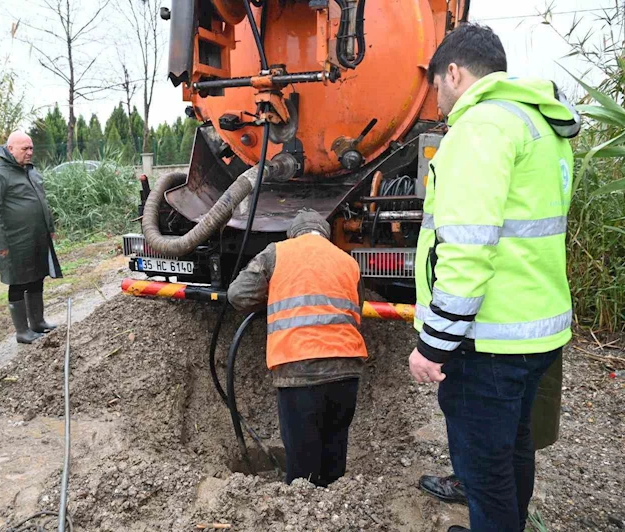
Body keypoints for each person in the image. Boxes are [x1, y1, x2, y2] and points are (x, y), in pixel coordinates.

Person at [408, 24, 580, 532]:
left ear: (455, 73)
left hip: (487, 343)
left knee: (484, 474)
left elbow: (467, 249)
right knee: (514, 452)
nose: (436, 98)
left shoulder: (478, 129)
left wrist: (434, 345)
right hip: (537, 330)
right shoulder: (538, 124)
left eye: (437, 83)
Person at [228, 210, 367, 487]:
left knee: (302, 467)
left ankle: (303, 515)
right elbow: (357, 309)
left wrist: (272, 292)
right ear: (325, 235)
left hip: (299, 371)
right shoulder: (347, 261)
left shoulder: (277, 253)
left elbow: (238, 295)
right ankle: (332, 511)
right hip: (346, 372)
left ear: (293, 234)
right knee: (334, 453)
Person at [418, 354, 563, 505]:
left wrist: (430, 347)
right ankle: (508, 512)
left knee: (495, 424)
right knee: (520, 430)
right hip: (536, 344)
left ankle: (483, 492)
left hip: (499, 348)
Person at [0, 131, 62, 344]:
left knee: (37, 277)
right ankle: (22, 331)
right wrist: (0, 242)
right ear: (10, 149)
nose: (30, 152)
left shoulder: (29, 171)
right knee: (17, 282)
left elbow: (42, 201)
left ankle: (38, 322)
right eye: (24, 149)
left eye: (31, 148)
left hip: (37, 236)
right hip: (14, 240)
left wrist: (50, 227)